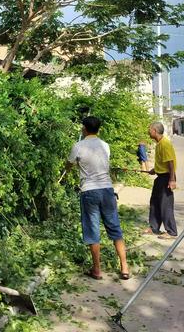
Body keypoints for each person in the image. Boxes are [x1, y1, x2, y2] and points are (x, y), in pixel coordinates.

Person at [67, 116, 130, 280]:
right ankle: (124, 267)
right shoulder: (105, 146)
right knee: (115, 227)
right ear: (98, 129)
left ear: (84, 129)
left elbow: (69, 164)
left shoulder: (78, 146)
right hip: (107, 190)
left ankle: (97, 269)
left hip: (89, 191)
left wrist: (68, 168)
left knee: (92, 229)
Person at [143, 121, 178, 239]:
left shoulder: (165, 144)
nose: (148, 131)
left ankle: (171, 231)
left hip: (167, 177)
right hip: (160, 177)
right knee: (155, 202)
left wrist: (172, 180)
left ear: (154, 131)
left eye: (149, 129)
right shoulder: (159, 144)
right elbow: (163, 162)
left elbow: (171, 163)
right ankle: (154, 228)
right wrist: (155, 169)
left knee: (165, 204)